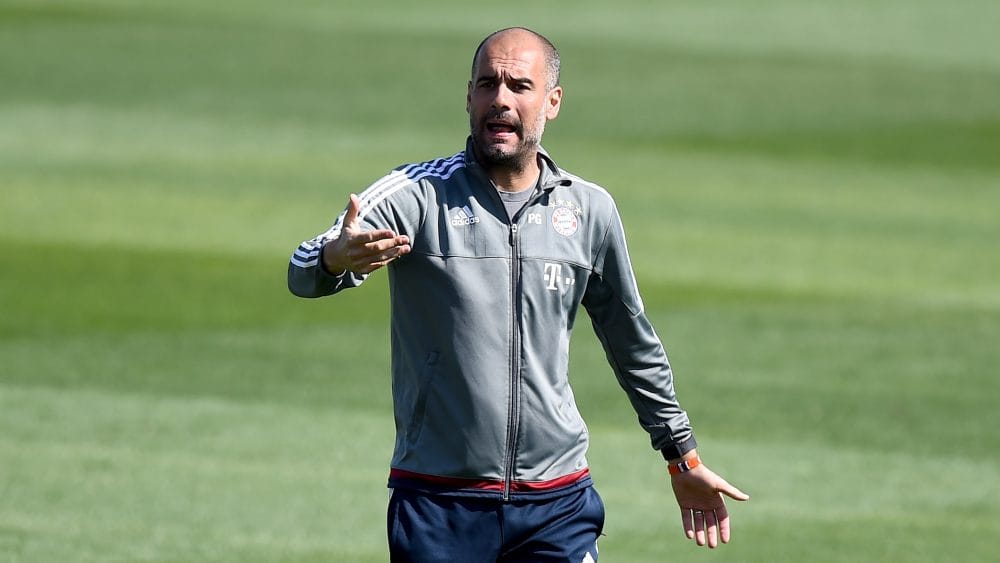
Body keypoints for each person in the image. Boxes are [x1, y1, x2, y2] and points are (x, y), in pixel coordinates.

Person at [288, 26, 748, 562]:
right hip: (441, 501)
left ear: (552, 102)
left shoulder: (588, 211)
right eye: (487, 84)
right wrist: (332, 259)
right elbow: (303, 268)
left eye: (519, 85)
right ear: (468, 97)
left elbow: (632, 343)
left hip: (558, 503)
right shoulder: (417, 193)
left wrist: (682, 459)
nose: (500, 99)